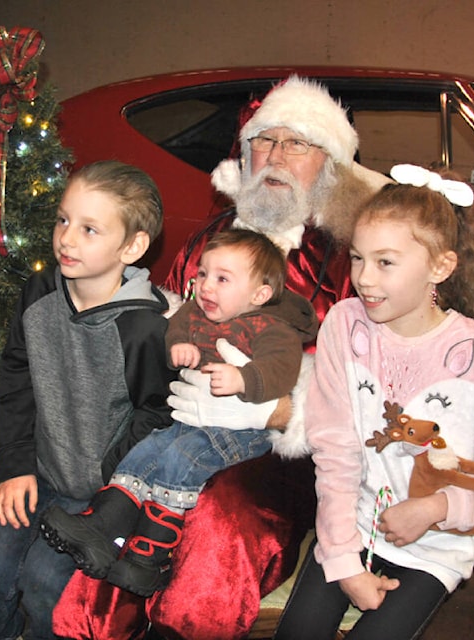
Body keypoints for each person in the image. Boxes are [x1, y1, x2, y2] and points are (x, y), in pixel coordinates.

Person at [51, 76, 389, 640]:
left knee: (218, 516)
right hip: (188, 422)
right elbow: (159, 332)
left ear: (328, 164)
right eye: (264, 142)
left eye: (296, 144)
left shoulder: (347, 262)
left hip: (287, 456)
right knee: (134, 479)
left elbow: (375, 388)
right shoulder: (209, 240)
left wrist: (280, 413)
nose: (276, 157)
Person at [273, 169, 474, 640]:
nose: (364, 279)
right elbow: (334, 448)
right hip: (350, 524)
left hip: (436, 544)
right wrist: (342, 558)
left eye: (385, 262)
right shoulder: (344, 324)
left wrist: (437, 506)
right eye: (357, 258)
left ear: (440, 267)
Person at [41, 227, 318, 597]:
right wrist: (179, 346)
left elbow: (283, 369)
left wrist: (244, 378)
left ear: (260, 294)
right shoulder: (195, 312)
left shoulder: (273, 329)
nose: (205, 286)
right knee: (148, 451)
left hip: (239, 433)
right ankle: (102, 527)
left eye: (222, 279)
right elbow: (177, 328)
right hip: (190, 419)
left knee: (179, 460)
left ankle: (148, 559)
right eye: (202, 274)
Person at [0, 160, 175, 640]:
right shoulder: (39, 293)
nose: (67, 239)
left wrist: (105, 480)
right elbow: (16, 377)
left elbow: (157, 416)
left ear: (132, 246)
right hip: (34, 471)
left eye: (89, 229)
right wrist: (14, 465)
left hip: (94, 496)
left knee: (42, 588)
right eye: (63, 219)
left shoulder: (145, 330)